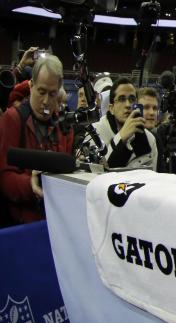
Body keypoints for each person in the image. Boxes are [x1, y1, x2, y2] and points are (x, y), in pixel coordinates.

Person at [0, 54, 74, 223]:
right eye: (41, 92)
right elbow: (3, 176)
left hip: (56, 220)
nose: (46, 101)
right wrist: (30, 185)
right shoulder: (12, 119)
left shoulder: (65, 127)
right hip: (21, 223)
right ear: (31, 86)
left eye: (52, 94)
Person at [85, 77, 158, 170]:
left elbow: (152, 178)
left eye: (132, 99)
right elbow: (95, 174)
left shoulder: (149, 139)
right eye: (121, 99)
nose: (128, 105)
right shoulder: (95, 132)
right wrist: (121, 136)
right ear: (111, 108)